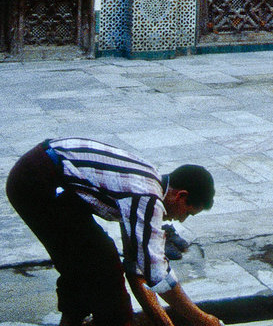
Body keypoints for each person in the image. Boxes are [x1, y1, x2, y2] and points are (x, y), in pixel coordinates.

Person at [6, 137, 223, 326]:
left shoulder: (147, 185)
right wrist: (203, 320)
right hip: (36, 179)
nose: (179, 219)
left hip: (46, 172)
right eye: (187, 213)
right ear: (181, 196)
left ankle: (73, 319)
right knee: (103, 269)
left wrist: (164, 321)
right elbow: (157, 274)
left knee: (86, 259)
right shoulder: (147, 198)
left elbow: (135, 266)